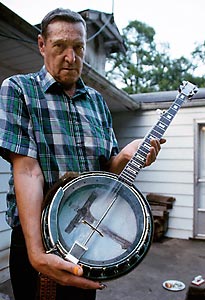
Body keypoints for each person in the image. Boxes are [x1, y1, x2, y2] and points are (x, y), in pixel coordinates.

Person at [0, 7, 165, 300]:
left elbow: (107, 173)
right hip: (35, 240)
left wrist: (125, 155)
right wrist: (37, 254)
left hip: (87, 243)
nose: (71, 57)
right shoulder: (19, 90)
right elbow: (27, 170)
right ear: (42, 45)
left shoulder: (98, 103)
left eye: (78, 47)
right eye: (60, 46)